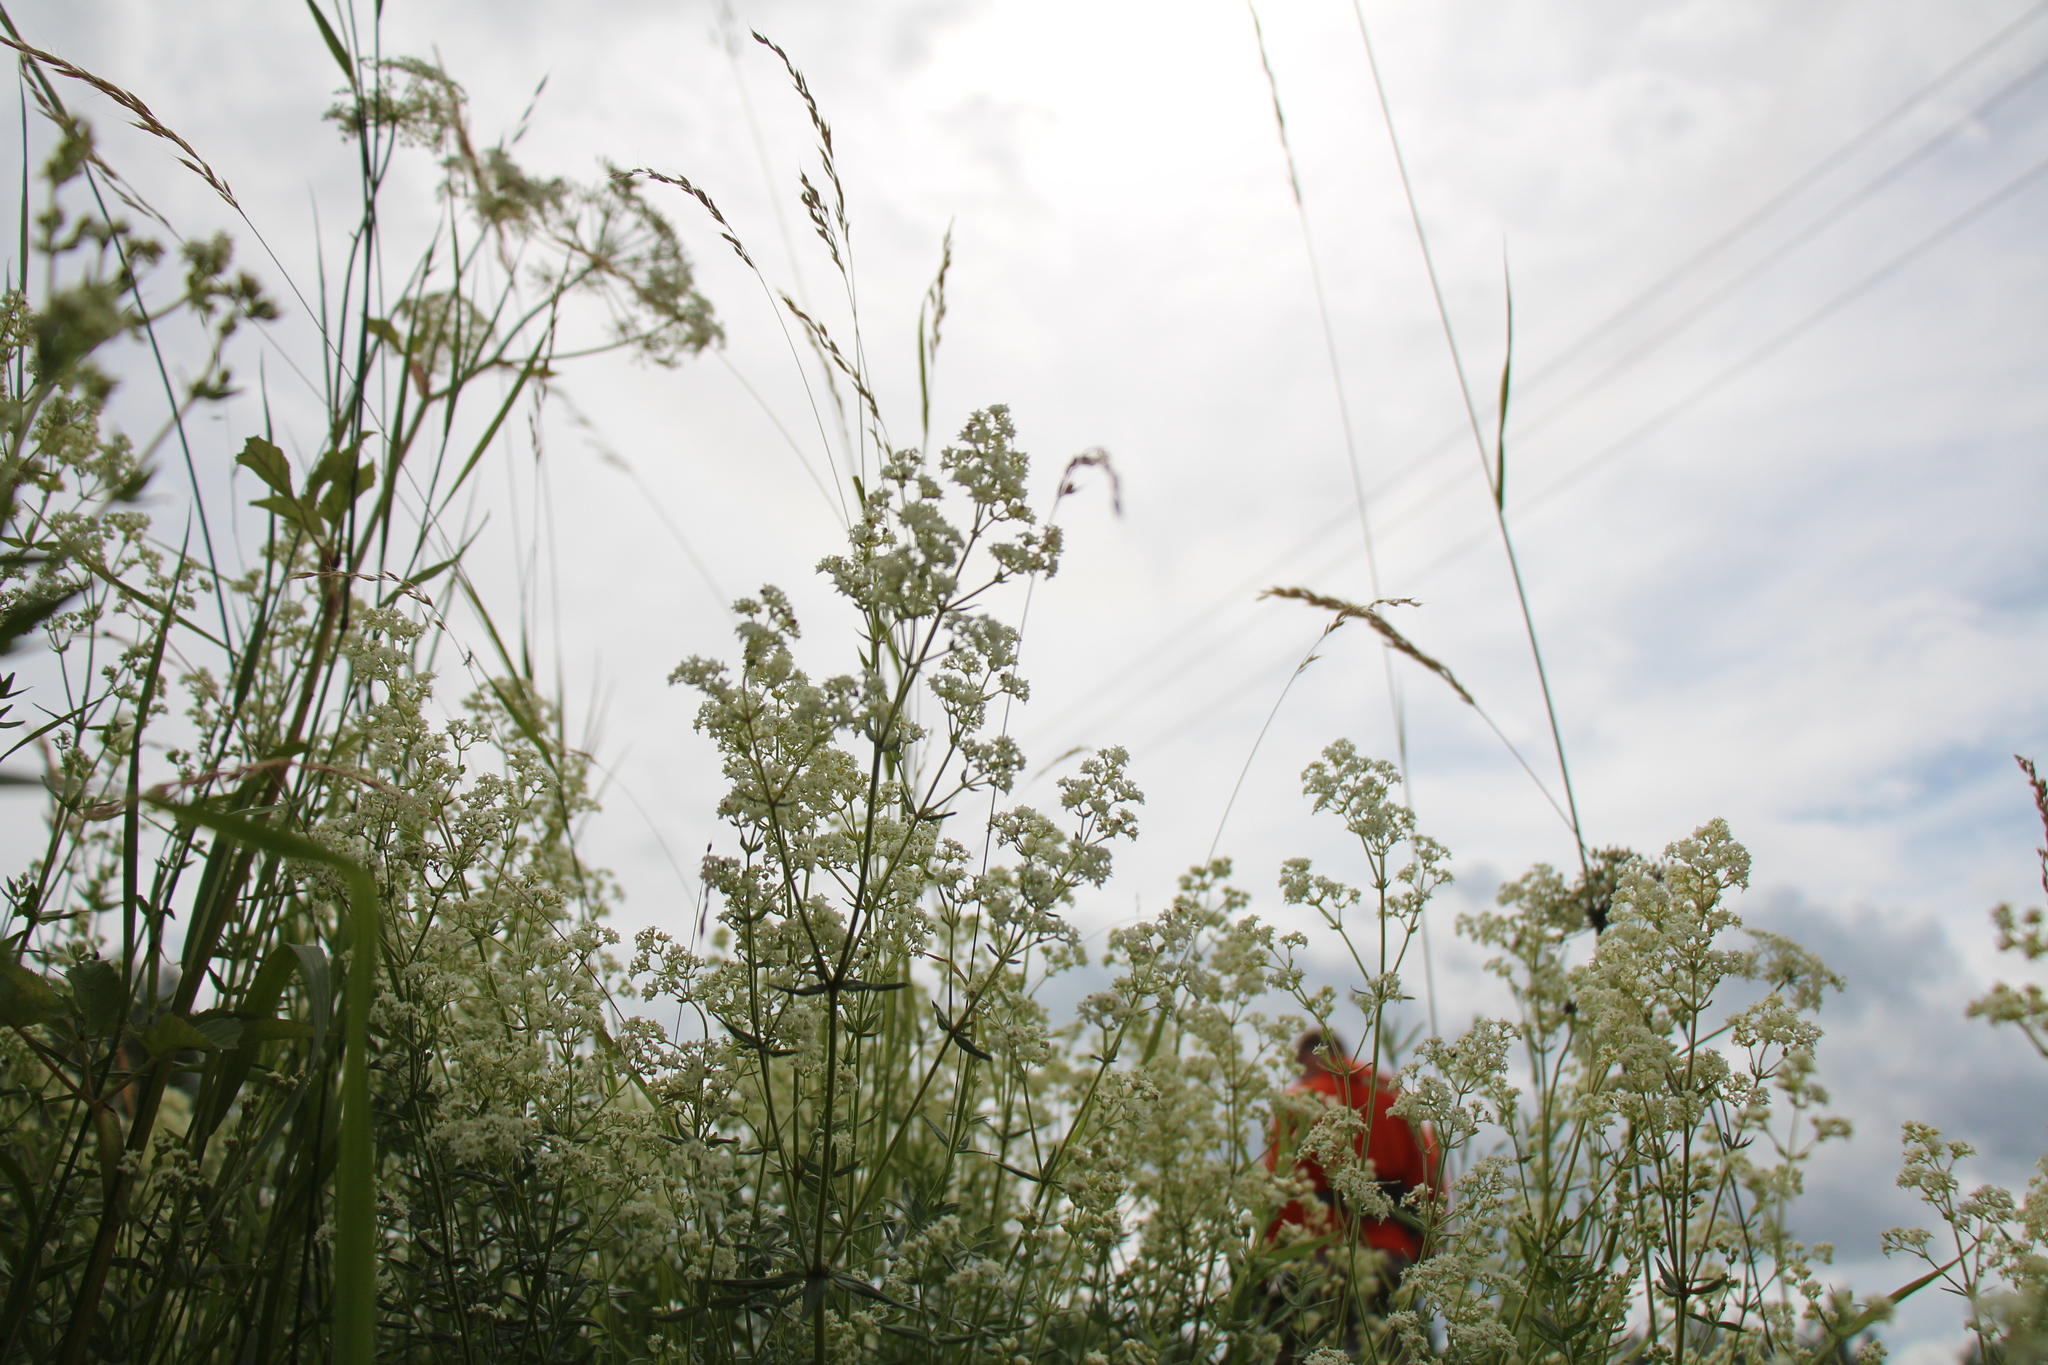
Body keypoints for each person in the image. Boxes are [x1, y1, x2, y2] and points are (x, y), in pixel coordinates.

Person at [1264, 1028, 1439, 1291]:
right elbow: (1428, 1175)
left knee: (1308, 1329)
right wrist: (1425, 1249)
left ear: (1310, 1058)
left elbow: (1279, 1187)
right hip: (1391, 1256)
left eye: (1299, 1068)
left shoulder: (1299, 1101)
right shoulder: (1391, 1096)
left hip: (1319, 1254)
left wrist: (1270, 1253)